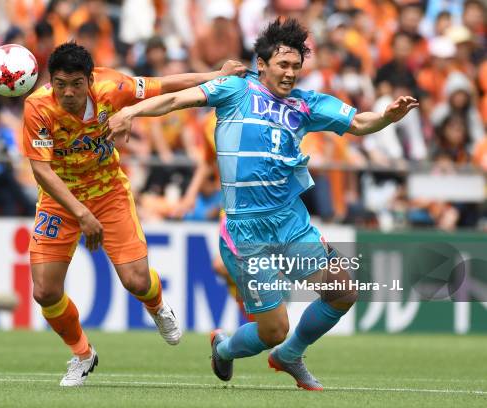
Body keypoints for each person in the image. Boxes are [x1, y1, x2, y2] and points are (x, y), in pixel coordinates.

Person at [108, 18, 418, 390]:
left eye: (295, 67)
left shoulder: (307, 105)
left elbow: (359, 123)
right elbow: (176, 99)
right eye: (282, 65)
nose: (289, 74)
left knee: (343, 290)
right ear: (262, 64)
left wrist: (386, 117)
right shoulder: (235, 90)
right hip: (246, 230)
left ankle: (290, 355)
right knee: (273, 329)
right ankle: (224, 348)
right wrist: (130, 111)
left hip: (290, 222)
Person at [22, 41, 245, 387]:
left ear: (91, 80)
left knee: (137, 282)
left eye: (76, 84)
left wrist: (216, 75)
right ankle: (82, 354)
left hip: (108, 191)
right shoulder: (37, 106)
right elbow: (42, 172)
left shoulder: (115, 87)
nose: (68, 93)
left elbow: (165, 84)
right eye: (60, 84)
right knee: (44, 292)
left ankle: (157, 307)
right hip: (60, 200)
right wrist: (80, 213)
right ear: (51, 81)